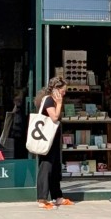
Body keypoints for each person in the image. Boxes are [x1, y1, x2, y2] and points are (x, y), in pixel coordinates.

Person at [33, 78, 72, 209]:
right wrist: (60, 103)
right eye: (63, 90)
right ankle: (42, 199)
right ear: (56, 90)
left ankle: (57, 196)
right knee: (46, 166)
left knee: (55, 167)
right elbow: (54, 117)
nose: (64, 93)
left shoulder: (52, 100)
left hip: (53, 138)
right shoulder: (49, 100)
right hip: (47, 138)